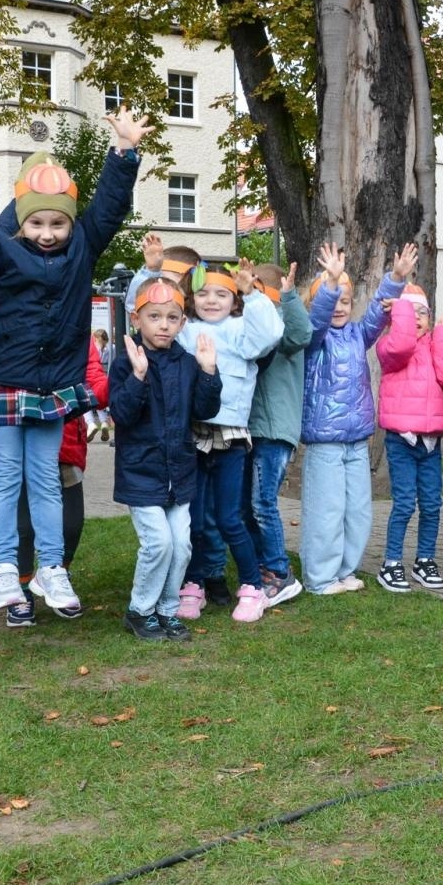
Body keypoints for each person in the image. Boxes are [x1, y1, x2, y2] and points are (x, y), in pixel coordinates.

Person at [0, 108, 149, 616]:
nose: (47, 232)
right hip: (3, 377)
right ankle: (5, 570)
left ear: (70, 221)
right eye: (37, 222)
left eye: (57, 222)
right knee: (5, 479)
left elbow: (111, 206)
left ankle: (52, 569)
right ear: (20, 219)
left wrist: (124, 152)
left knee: (46, 478)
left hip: (52, 384)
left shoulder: (84, 246)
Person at [171, 257, 284, 623]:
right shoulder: (187, 331)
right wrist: (154, 273)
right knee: (196, 520)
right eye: (203, 293)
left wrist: (251, 293)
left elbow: (269, 335)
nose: (212, 300)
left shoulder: (241, 329)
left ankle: (252, 587)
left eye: (222, 294)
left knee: (230, 518)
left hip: (231, 438)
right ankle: (194, 584)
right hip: (194, 436)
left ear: (234, 300)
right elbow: (153, 315)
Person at [109, 281, 222, 641]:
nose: (163, 325)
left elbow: (206, 410)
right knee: (158, 543)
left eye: (172, 318)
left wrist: (208, 372)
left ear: (182, 322)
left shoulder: (187, 364)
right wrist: (139, 376)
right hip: (142, 472)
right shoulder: (126, 362)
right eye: (154, 316)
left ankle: (166, 609)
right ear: (136, 318)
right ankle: (139, 611)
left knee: (182, 545)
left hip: (180, 472)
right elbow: (122, 414)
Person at [299, 241, 412, 595]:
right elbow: (318, 319)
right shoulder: (313, 339)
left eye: (345, 301)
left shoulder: (356, 334)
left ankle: (345, 570)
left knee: (358, 510)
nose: (339, 308)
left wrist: (395, 278)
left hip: (356, 438)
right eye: (334, 301)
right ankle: (320, 577)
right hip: (325, 440)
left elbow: (379, 313)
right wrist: (330, 285)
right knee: (326, 510)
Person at [10, 335, 110, 628]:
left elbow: (95, 380)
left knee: (71, 523)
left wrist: (115, 382)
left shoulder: (78, 333)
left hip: (66, 440)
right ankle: (22, 588)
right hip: (23, 434)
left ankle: (57, 576)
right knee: (25, 524)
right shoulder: (19, 325)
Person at [375, 282, 443, 593]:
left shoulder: (433, 344)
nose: (415, 319)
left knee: (430, 504)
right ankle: (391, 562)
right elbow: (400, 346)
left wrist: (441, 337)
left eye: (422, 313)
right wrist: (400, 315)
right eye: (408, 312)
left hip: (430, 441)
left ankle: (424, 559)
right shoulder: (388, 346)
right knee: (404, 504)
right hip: (401, 438)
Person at [243, 261, 313, 607]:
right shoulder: (254, 327)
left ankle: (281, 573)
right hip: (255, 430)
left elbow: (302, 334)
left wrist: (288, 296)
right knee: (249, 506)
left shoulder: (283, 326)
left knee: (262, 503)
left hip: (275, 431)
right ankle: (265, 569)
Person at [87, 329, 115, 440]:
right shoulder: (110, 349)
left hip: (89, 376)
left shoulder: (94, 347)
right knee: (99, 400)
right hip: (102, 374)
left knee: (87, 401)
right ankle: (104, 423)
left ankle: (90, 423)